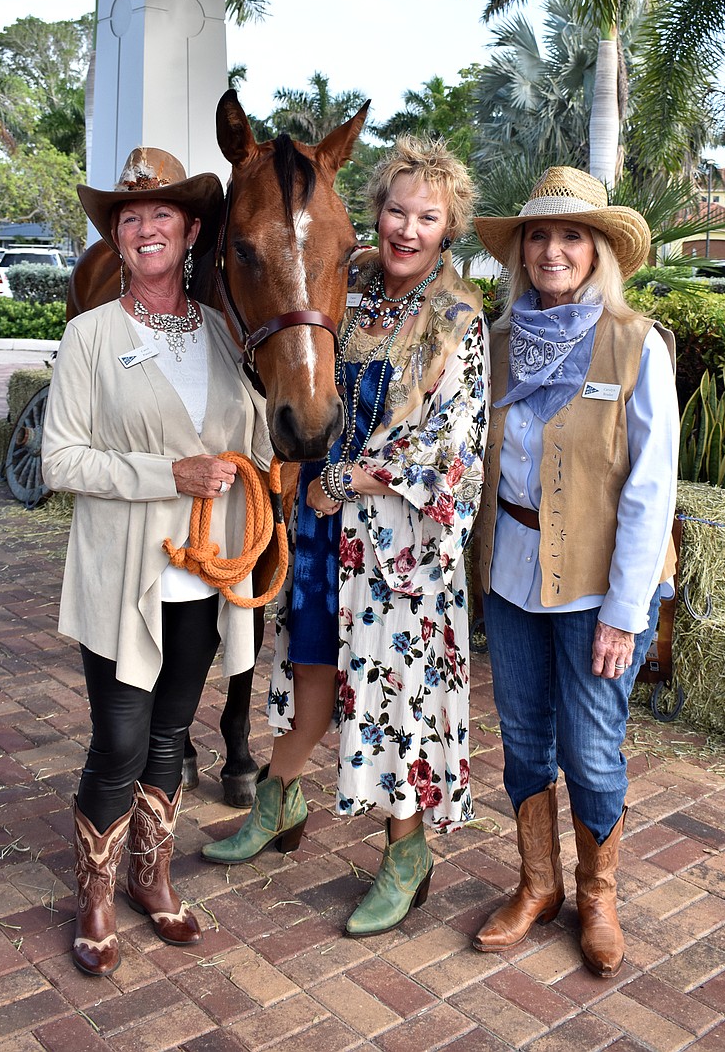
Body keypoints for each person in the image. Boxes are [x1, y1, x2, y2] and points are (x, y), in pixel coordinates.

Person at [202, 136, 489, 937]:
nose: (407, 229)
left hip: (399, 551)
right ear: (375, 213)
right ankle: (277, 800)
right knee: (312, 671)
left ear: (448, 227)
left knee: (397, 699)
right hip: (325, 535)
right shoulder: (351, 287)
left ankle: (407, 853)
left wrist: (347, 480)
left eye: (427, 217)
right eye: (396, 210)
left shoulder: (456, 320)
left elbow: (452, 449)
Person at [42, 147, 270, 977]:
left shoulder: (221, 332)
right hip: (125, 575)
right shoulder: (90, 335)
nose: (145, 229)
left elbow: (254, 438)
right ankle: (96, 893)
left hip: (205, 575)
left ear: (191, 229)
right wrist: (165, 473)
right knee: (119, 739)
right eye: (129, 217)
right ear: (118, 236)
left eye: (161, 214)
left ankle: (151, 874)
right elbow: (60, 460)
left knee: (171, 733)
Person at [472, 165, 678, 977]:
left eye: (571, 236)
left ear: (598, 251)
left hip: (599, 587)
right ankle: (538, 882)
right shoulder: (496, 345)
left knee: (590, 750)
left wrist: (626, 612)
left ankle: (598, 895)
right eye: (538, 235)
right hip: (513, 576)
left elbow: (651, 488)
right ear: (520, 250)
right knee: (524, 740)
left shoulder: (635, 343)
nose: (552, 250)